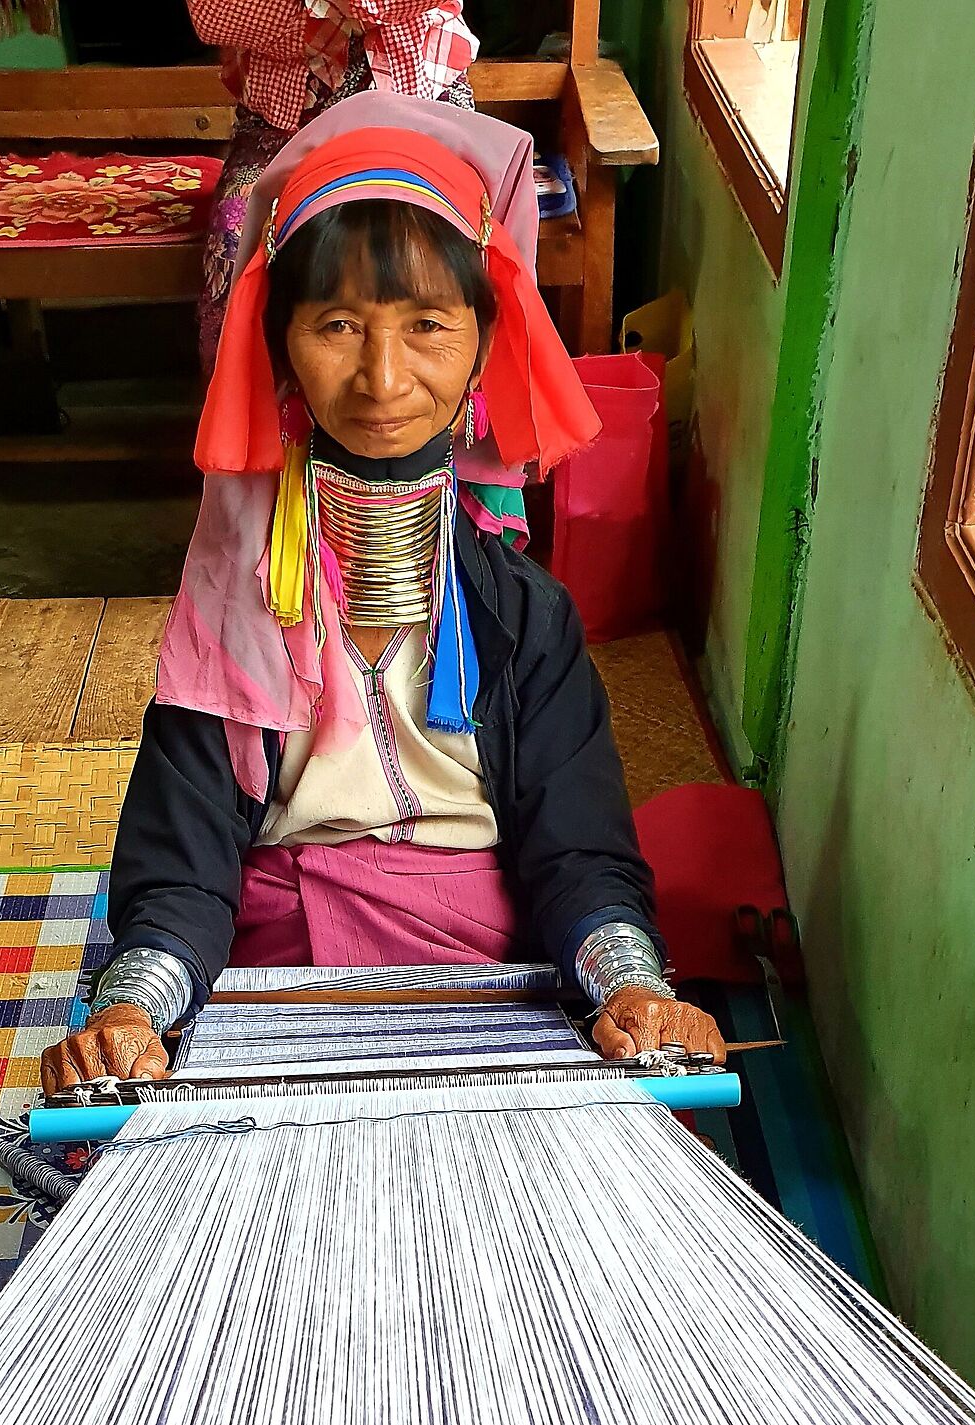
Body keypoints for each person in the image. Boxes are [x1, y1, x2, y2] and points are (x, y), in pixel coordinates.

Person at [40, 99, 725, 1094]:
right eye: (338, 325)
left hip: (495, 988)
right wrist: (133, 1010)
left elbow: (579, 851)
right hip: (276, 989)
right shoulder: (227, 625)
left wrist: (629, 984)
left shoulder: (527, 621)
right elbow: (184, 866)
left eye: (428, 325)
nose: (383, 376)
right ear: (279, 344)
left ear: (484, 346)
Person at [192, 0, 476, 375]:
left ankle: (454, 398)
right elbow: (213, 15)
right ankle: (247, 401)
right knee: (235, 239)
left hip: (422, 105)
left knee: (452, 240)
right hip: (281, 124)